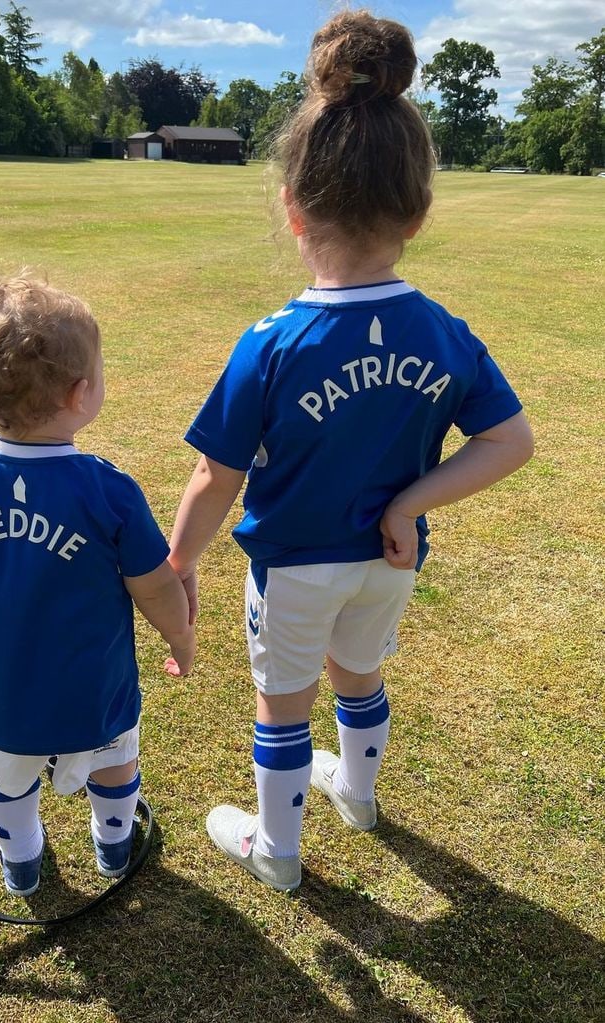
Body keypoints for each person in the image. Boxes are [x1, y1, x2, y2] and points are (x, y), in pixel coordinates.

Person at [167, 10, 534, 892]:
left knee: (282, 705)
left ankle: (279, 853)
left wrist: (178, 556)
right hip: (387, 560)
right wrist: (408, 503)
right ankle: (358, 796)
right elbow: (509, 441)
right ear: (417, 208)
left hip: (293, 566)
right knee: (357, 672)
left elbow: (217, 472)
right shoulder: (442, 331)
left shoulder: (273, 341)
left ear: (292, 206)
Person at [0, 274, 194, 896]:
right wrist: (181, 637)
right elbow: (154, 586)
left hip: (2, 690)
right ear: (80, 392)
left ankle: (21, 865)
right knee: (116, 763)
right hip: (97, 689)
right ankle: (114, 846)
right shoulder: (108, 489)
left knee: (7, 777)